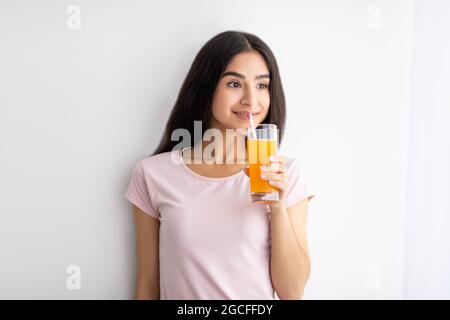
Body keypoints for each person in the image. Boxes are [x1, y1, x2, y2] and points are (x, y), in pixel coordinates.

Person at [124, 30, 315, 300]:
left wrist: (278, 206)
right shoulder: (153, 174)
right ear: (206, 87)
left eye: (262, 85)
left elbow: (292, 292)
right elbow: (148, 286)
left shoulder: (288, 175)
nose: (251, 99)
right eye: (234, 84)